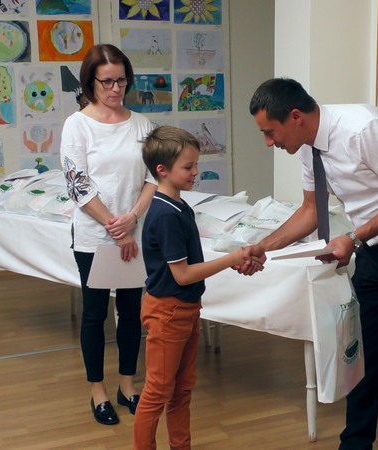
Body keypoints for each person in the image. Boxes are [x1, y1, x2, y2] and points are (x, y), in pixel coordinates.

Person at [243, 78, 378, 450]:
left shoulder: (363, 128)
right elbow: (310, 211)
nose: (268, 143)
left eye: (269, 132)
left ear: (295, 117)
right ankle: (355, 443)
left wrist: (354, 238)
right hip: (374, 244)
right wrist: (263, 247)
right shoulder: (308, 148)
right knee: (362, 348)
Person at [134, 126, 259, 449]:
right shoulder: (165, 215)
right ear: (162, 170)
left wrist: (233, 258)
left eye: (196, 164)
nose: (195, 172)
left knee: (182, 390)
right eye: (188, 166)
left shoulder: (180, 206)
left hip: (186, 309)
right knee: (157, 392)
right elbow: (183, 275)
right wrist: (231, 259)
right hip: (168, 312)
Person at [60, 43, 156, 426]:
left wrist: (131, 218)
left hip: (134, 232)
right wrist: (116, 229)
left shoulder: (142, 125)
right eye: (107, 82)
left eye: (121, 80)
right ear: (91, 83)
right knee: (95, 313)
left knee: (132, 312)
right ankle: (97, 391)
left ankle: (127, 386)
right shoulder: (77, 124)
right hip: (94, 236)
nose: (116, 89)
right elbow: (78, 184)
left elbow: (154, 177)